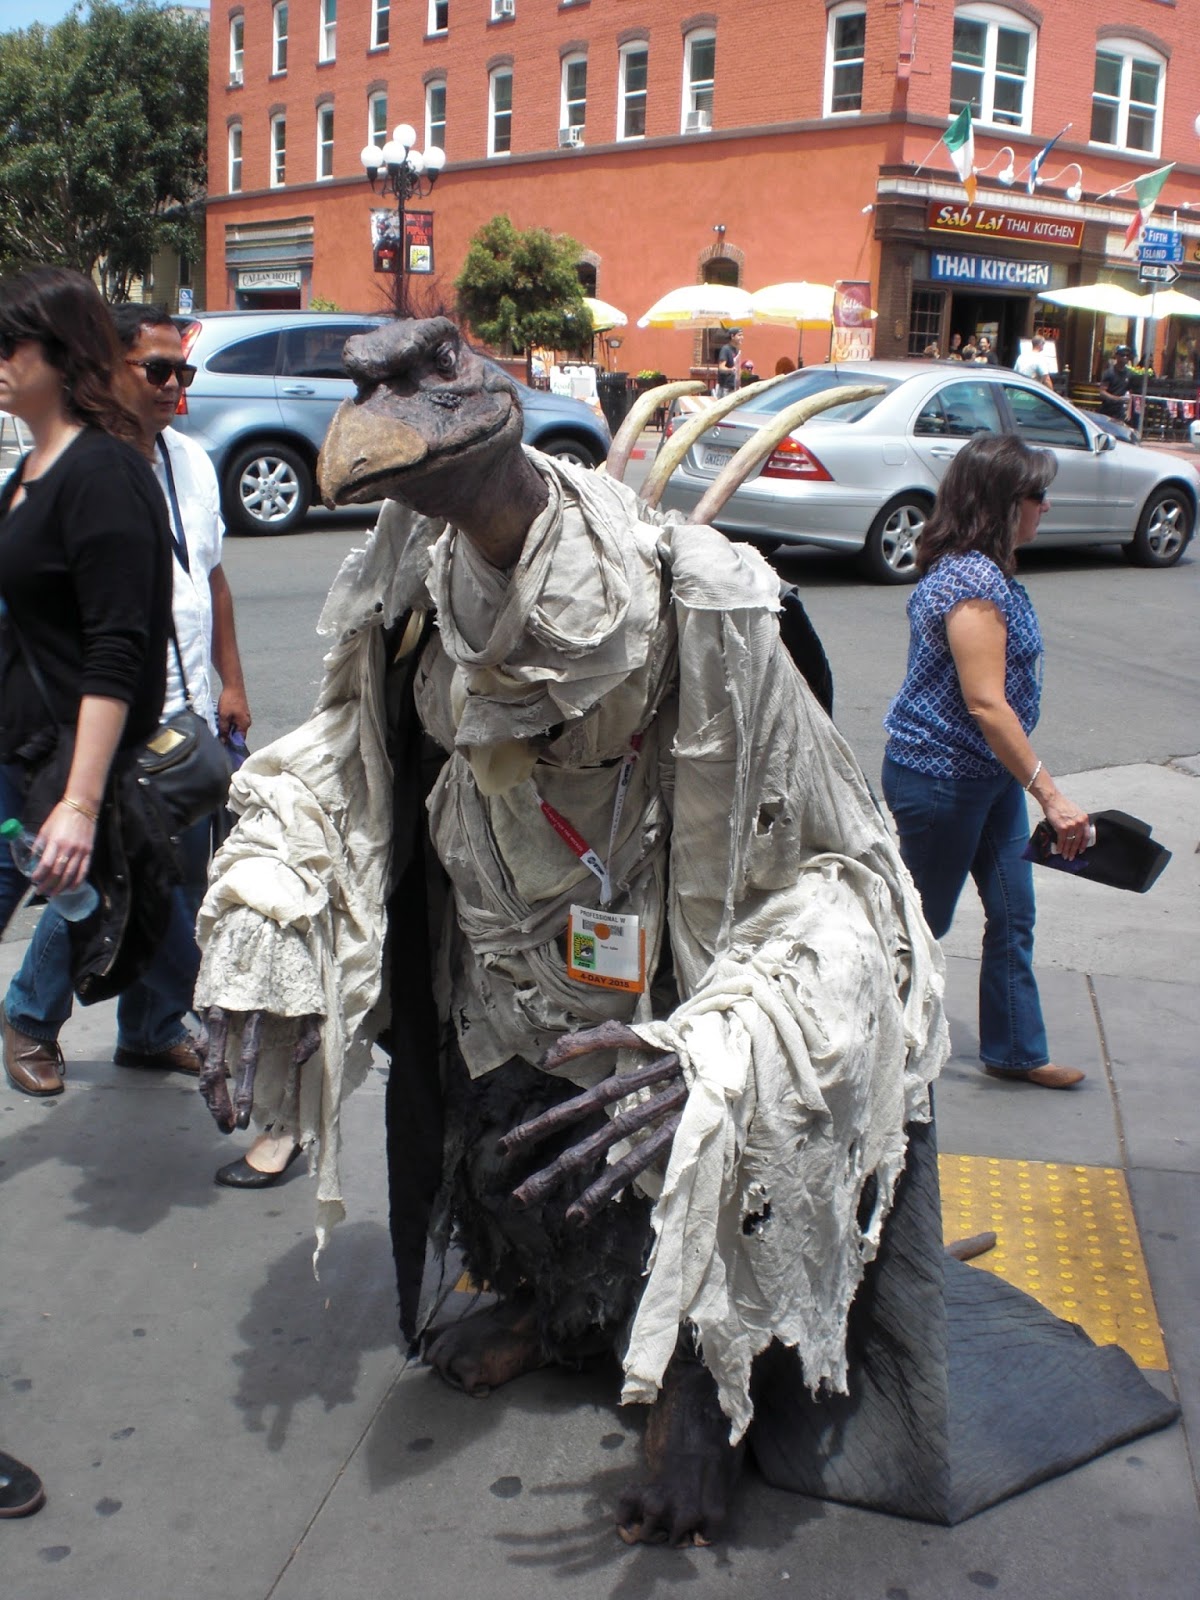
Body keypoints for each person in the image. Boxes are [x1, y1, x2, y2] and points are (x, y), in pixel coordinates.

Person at [0, 304, 252, 1098]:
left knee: (169, 881)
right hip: (100, 728)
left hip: (183, 715)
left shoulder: (191, 462)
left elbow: (211, 578)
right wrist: (79, 784)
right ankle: (31, 1014)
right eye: (157, 369)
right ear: (108, 368)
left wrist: (231, 682)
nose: (174, 385)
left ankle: (150, 1030)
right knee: (102, 878)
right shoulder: (85, 468)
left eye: (184, 371)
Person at [0, 267, 172, 1098]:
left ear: (62, 353)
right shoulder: (32, 469)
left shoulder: (101, 472)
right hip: (17, 753)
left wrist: (79, 800)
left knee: (147, 905)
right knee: (154, 909)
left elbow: (116, 648)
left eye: (11, 343)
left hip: (58, 764)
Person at [881, 433, 1090, 1092]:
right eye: (1037, 495)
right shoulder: (972, 582)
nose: (1045, 507)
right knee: (920, 927)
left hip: (988, 776)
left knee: (1013, 912)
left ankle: (1016, 1050)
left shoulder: (986, 573)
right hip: (941, 779)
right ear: (1000, 503)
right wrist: (1051, 795)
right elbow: (986, 704)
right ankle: (865, 1046)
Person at [1098, 345, 1134, 420]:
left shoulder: (1129, 373)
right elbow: (1102, 392)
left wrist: (1129, 411)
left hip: (1120, 411)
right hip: (1107, 410)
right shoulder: (1109, 373)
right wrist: (1116, 399)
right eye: (1122, 355)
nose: (1125, 357)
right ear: (1117, 356)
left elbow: (1131, 394)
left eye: (1127, 355)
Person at [715, 327, 743, 395]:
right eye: (739, 335)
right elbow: (721, 367)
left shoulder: (736, 350)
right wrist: (731, 370)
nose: (742, 337)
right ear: (732, 336)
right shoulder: (726, 349)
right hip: (726, 388)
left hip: (734, 386)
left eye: (742, 335)